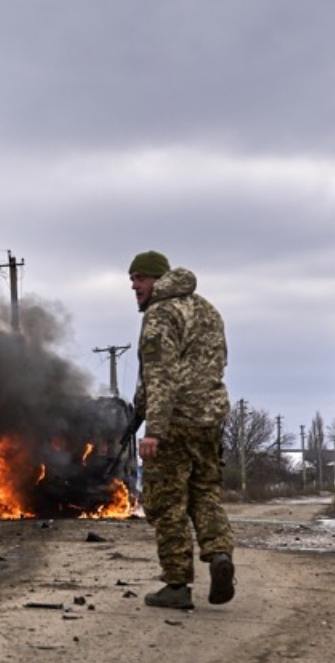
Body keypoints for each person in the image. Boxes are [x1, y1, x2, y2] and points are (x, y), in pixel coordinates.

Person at [128, 250, 236, 610]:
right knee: (205, 492)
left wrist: (153, 429)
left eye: (140, 278)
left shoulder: (161, 314)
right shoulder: (206, 309)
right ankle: (219, 553)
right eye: (132, 279)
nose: (134, 285)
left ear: (158, 279)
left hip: (174, 422)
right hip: (209, 420)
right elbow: (217, 362)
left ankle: (177, 584)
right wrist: (137, 410)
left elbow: (160, 376)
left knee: (166, 503)